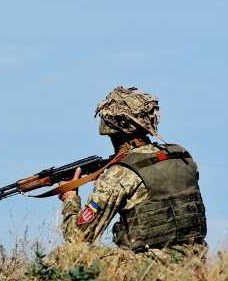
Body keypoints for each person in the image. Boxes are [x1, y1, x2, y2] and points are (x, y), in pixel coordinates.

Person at [53, 86, 207, 267]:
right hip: (197, 263)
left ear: (111, 128)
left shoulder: (120, 174)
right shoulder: (181, 156)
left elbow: (78, 237)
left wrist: (70, 199)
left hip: (153, 268)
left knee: (64, 255)